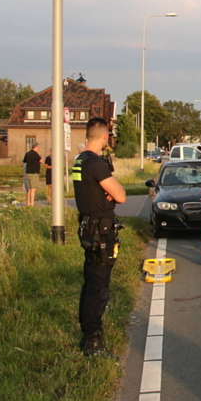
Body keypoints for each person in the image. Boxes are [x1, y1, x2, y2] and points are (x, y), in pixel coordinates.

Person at [72, 117, 127, 356]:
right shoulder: (96, 163)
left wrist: (103, 193)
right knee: (98, 287)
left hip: (88, 226)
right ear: (105, 137)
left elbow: (91, 189)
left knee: (91, 282)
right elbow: (121, 195)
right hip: (100, 231)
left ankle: (88, 331)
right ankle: (92, 341)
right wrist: (112, 193)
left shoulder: (80, 161)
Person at [23, 142, 42, 206]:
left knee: (28, 189)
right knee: (33, 189)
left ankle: (28, 203)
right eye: (39, 147)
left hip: (28, 173)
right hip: (34, 173)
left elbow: (24, 161)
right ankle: (32, 203)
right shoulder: (35, 154)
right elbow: (41, 161)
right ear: (36, 147)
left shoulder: (27, 153)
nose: (39, 149)